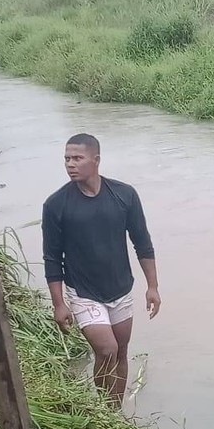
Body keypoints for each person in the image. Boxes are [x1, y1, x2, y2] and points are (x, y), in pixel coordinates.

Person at [42, 133, 160, 407]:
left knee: (121, 352)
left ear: (96, 160)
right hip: (83, 292)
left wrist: (152, 286)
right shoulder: (56, 205)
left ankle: (113, 412)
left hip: (120, 288)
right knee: (106, 349)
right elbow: (51, 259)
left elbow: (142, 244)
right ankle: (103, 409)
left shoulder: (124, 195)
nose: (70, 164)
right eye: (67, 159)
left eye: (77, 158)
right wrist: (59, 304)